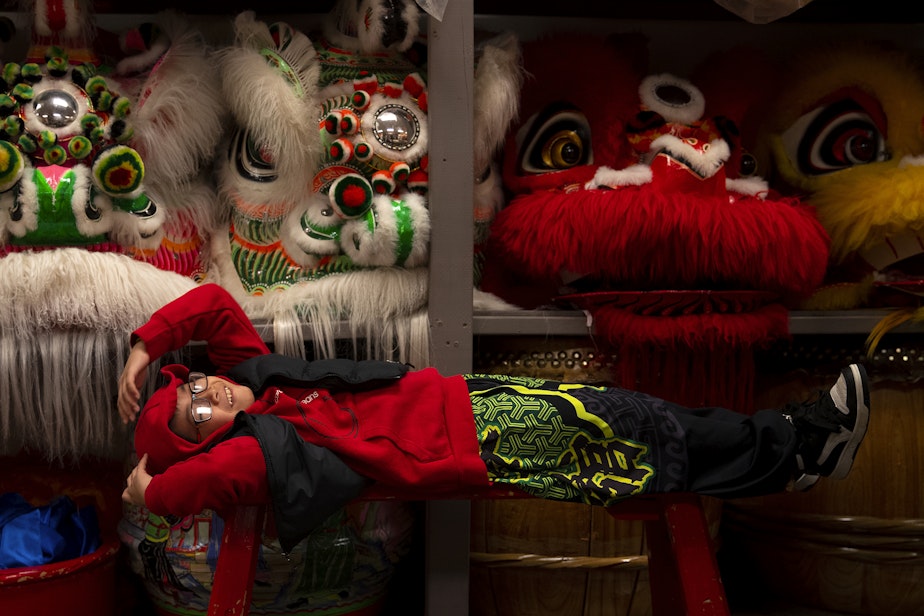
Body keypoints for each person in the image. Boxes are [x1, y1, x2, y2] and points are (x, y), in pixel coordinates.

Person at [119, 284, 870, 553]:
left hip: (471, 402)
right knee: (642, 438)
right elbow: (193, 486)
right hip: (483, 441)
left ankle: (797, 448)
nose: (214, 396)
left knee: (642, 419)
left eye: (200, 385)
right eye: (200, 415)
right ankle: (796, 447)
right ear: (211, 440)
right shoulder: (260, 450)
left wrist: (143, 347)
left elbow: (213, 302)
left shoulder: (261, 375)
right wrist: (151, 489)